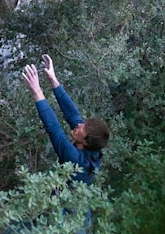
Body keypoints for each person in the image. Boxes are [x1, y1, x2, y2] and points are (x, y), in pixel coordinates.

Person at [21, 54, 109, 185]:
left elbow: (54, 129)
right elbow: (73, 115)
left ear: (85, 142)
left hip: (65, 201)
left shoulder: (75, 159)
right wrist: (53, 79)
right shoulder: (92, 142)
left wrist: (36, 91)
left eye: (83, 128)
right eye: (84, 124)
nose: (79, 125)